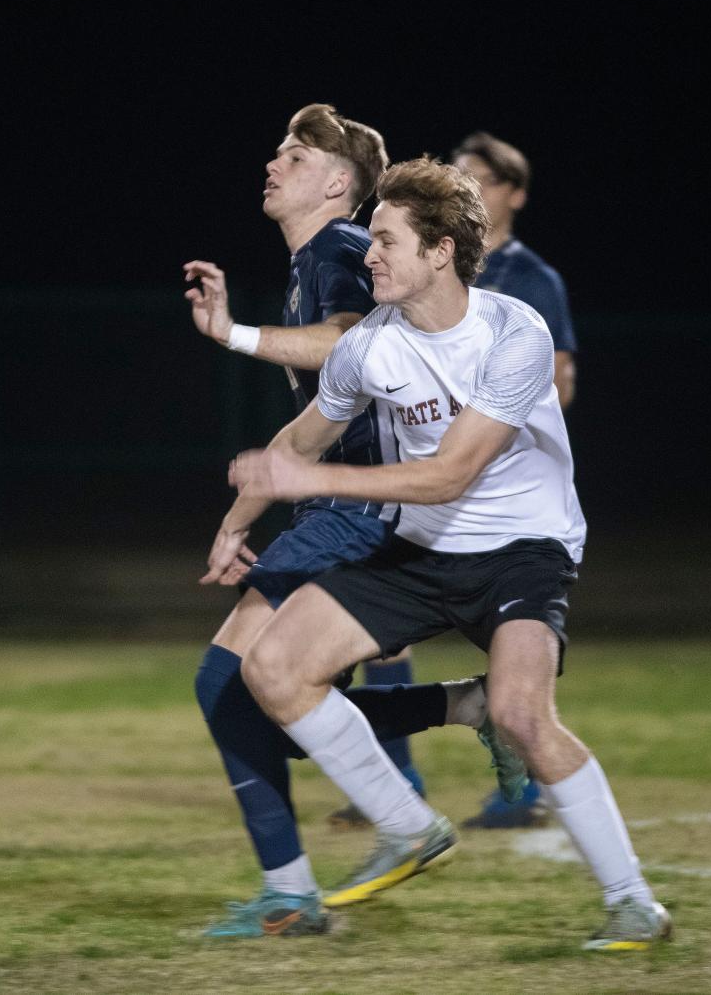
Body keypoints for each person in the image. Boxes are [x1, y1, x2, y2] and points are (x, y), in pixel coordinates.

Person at [224, 155, 671, 950]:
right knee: (271, 668)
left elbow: (451, 473)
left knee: (522, 715)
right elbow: (301, 438)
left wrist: (309, 477)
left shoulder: (513, 332)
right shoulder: (368, 346)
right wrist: (239, 519)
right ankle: (406, 826)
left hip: (523, 551)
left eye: (386, 241)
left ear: (439, 252)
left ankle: (634, 902)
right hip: (422, 550)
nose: (368, 256)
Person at [186, 106, 521, 938]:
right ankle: (469, 709)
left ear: (338, 183)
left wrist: (232, 332)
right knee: (279, 708)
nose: (274, 163)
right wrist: (240, 518)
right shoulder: (313, 261)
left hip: (358, 510)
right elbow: (307, 428)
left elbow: (342, 345)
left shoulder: (339, 251)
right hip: (337, 508)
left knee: (234, 686)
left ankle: (324, 875)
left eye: (294, 155)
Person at [451, 130, 579, 828]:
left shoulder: (533, 279)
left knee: (513, 630)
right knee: (377, 604)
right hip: (435, 469)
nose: (467, 187)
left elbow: (561, 382)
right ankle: (397, 778)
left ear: (514, 193)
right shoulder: (440, 267)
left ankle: (527, 784)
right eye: (458, 176)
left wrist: (488, 420)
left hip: (498, 482)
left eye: (481, 178)